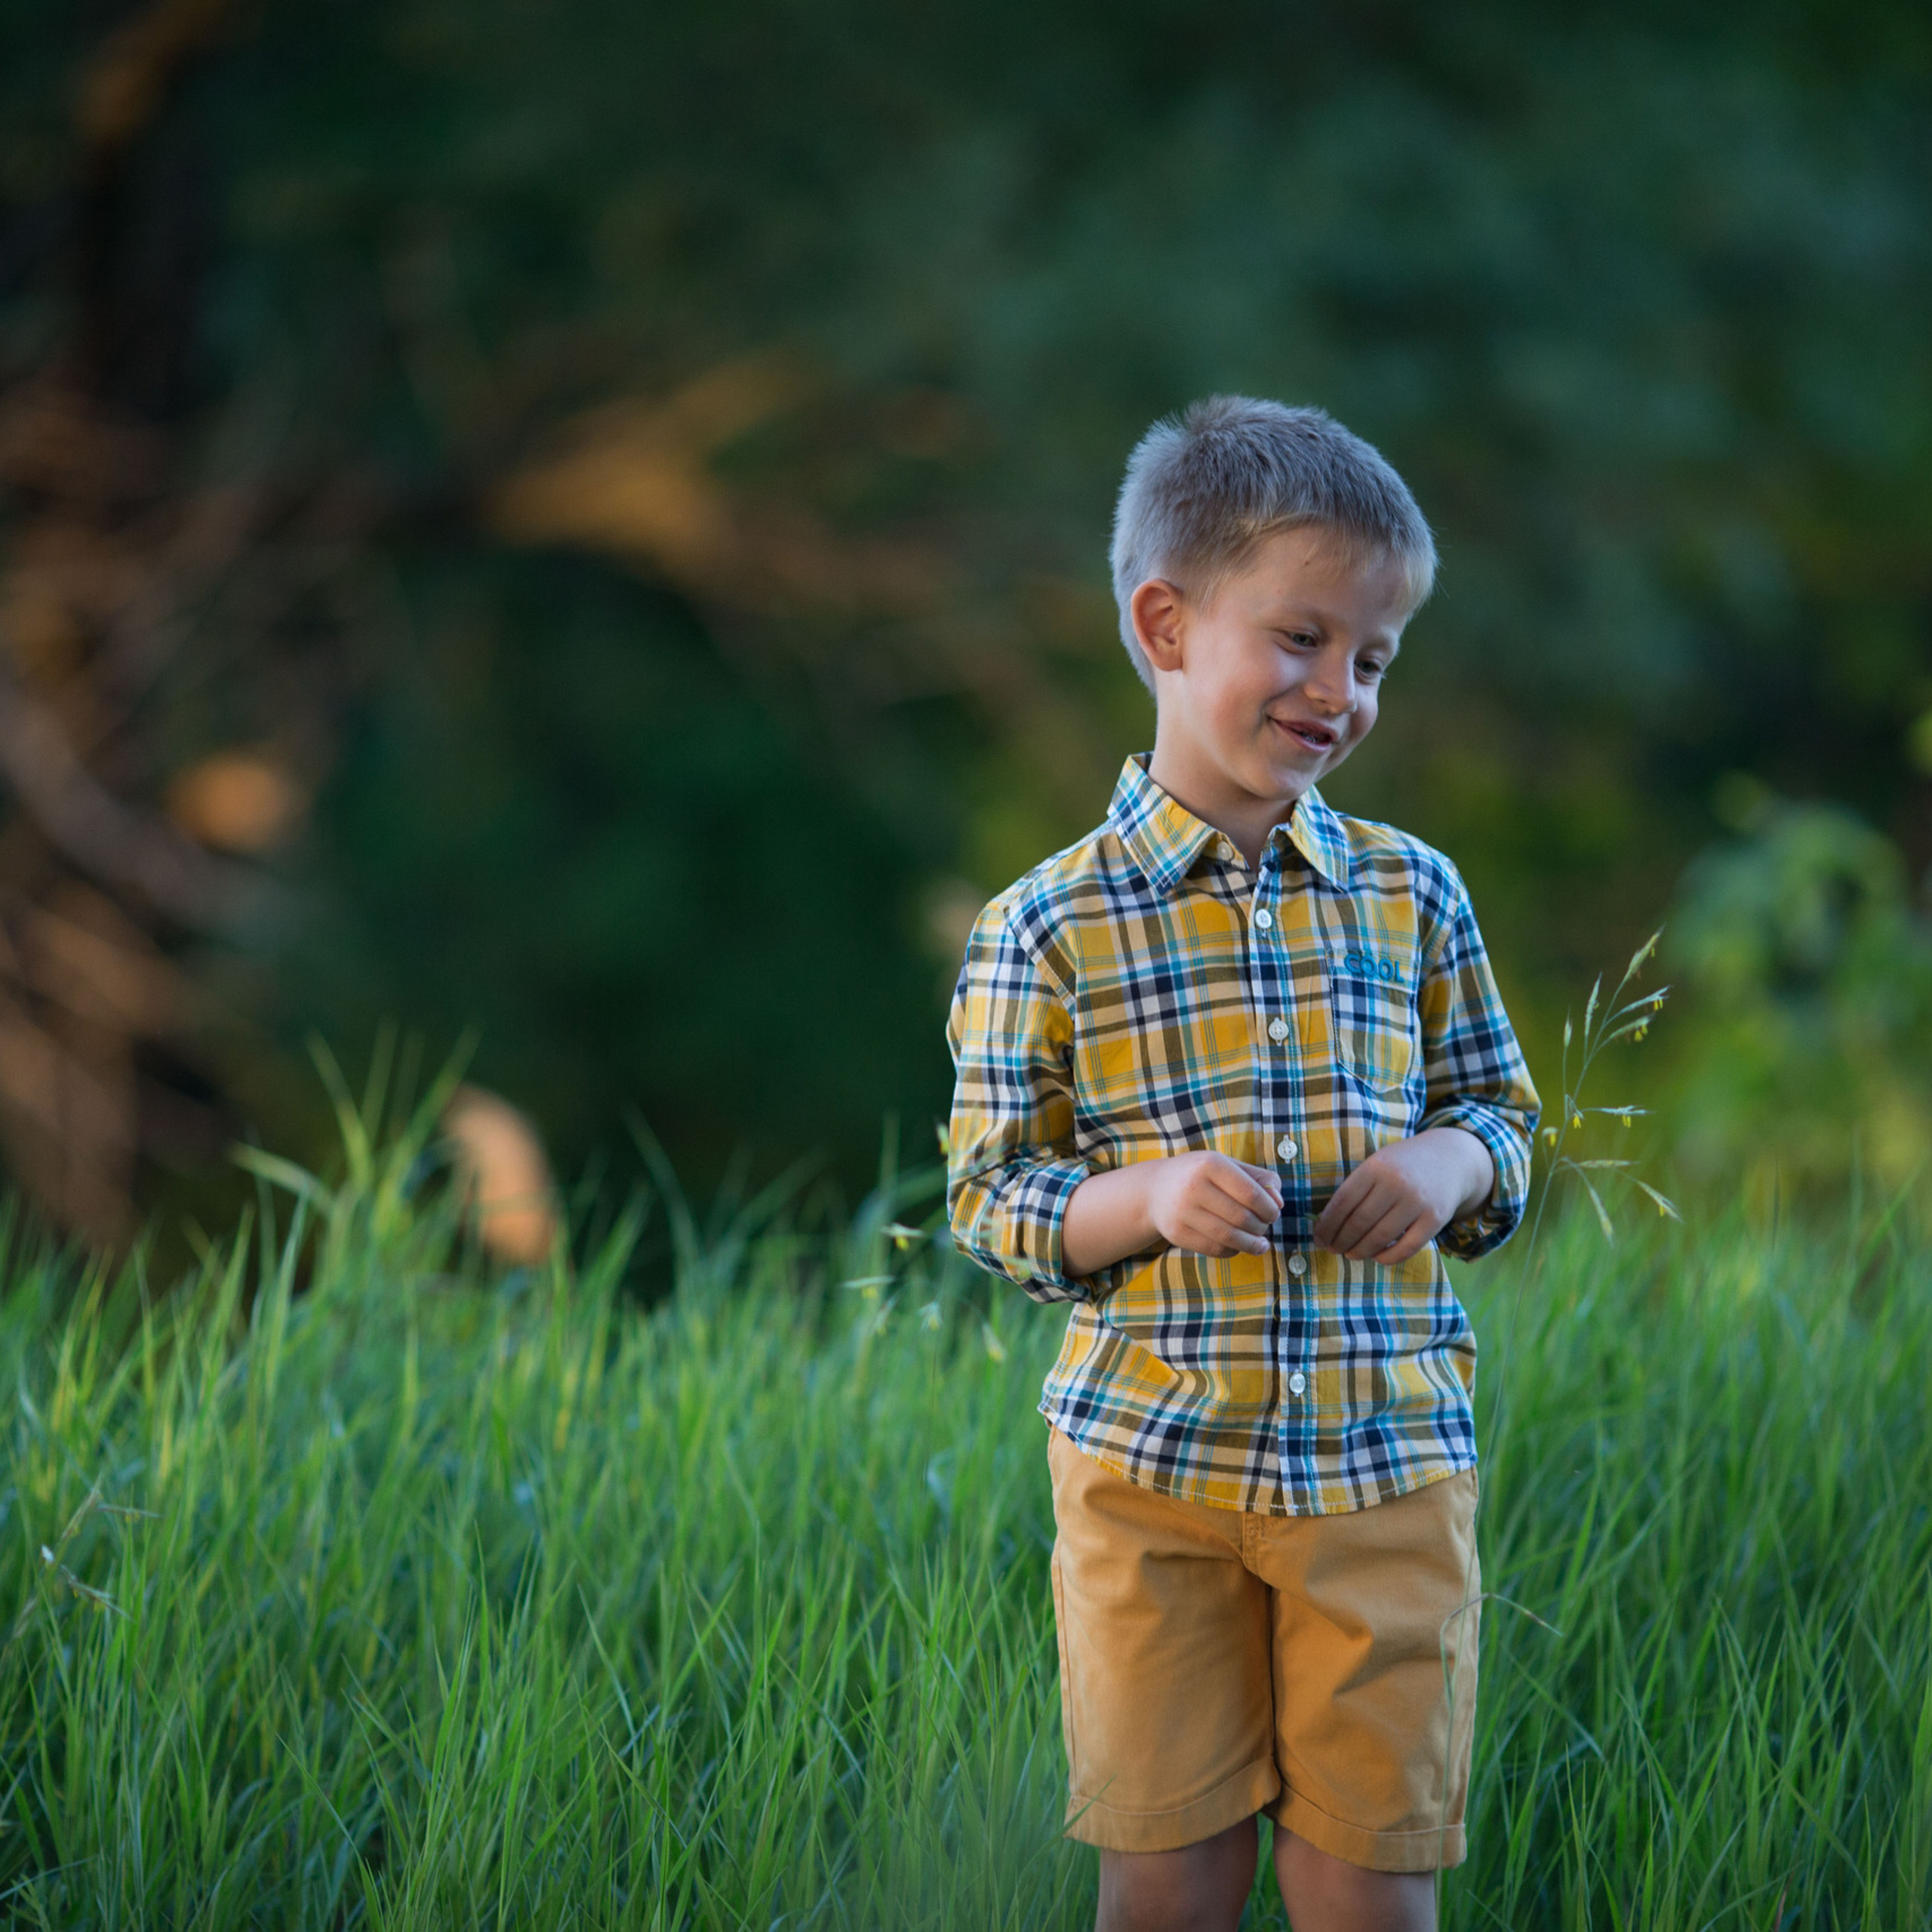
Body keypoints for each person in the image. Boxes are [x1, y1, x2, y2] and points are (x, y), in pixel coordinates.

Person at [946, 396, 1540, 1932]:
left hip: (1383, 1465)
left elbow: (1503, 1116)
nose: (1336, 691)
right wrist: (1137, 1199)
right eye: (1299, 638)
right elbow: (991, 1200)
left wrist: (1443, 1165)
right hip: (1151, 1474)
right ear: (1163, 620)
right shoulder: (1045, 924)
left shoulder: (1412, 891)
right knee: (1166, 1874)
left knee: (1366, 1878)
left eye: (1372, 658)